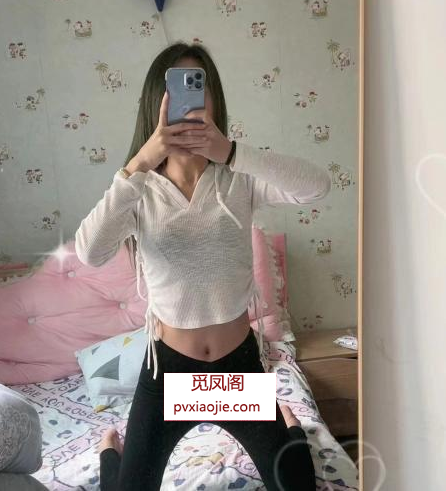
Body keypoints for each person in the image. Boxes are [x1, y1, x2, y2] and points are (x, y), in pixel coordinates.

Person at [75, 42, 331, 490]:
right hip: (169, 371)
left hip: (236, 368)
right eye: (176, 89)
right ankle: (109, 451)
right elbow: (90, 253)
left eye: (198, 87)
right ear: (157, 102)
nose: (189, 101)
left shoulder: (238, 178)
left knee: (297, 486)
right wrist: (138, 164)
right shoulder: (140, 189)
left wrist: (231, 152)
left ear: (214, 100)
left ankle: (289, 425)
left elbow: (317, 186)